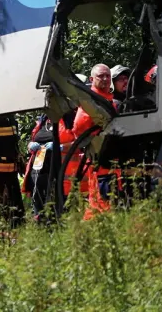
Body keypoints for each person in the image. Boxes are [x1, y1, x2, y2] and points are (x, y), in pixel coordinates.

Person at [59, 64, 115, 218]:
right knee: (100, 205)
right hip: (100, 165)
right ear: (92, 79)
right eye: (100, 76)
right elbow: (80, 132)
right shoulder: (89, 105)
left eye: (107, 76)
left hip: (113, 165)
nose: (105, 79)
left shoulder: (108, 102)